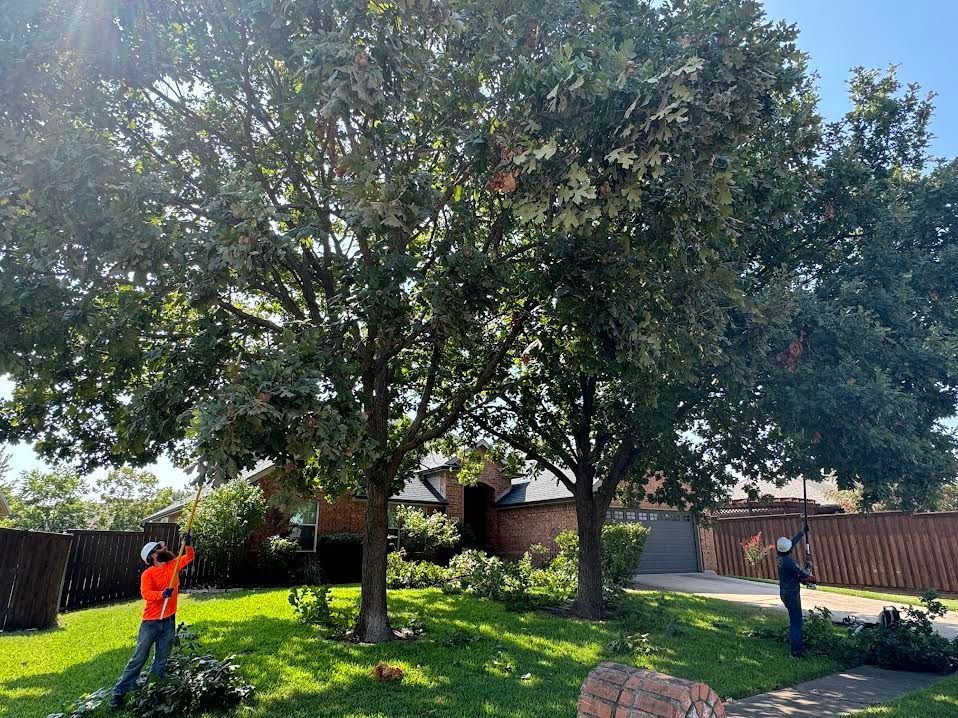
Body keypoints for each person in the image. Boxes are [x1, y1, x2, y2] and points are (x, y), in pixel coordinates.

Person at [109, 533, 194, 710]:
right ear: (153, 556)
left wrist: (188, 545)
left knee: (162, 658)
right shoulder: (148, 574)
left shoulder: (173, 565)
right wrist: (162, 594)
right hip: (150, 622)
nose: (164, 549)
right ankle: (119, 692)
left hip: (169, 621)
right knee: (139, 657)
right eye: (160, 548)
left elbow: (190, 556)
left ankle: (152, 690)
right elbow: (145, 594)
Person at [775, 523, 812, 657]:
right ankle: (796, 651)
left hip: (784, 593)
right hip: (792, 595)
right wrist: (809, 564)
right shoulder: (790, 563)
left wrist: (802, 532)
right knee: (796, 623)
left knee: (794, 620)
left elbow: (791, 543)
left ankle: (797, 647)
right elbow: (805, 574)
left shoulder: (779, 557)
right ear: (788, 550)